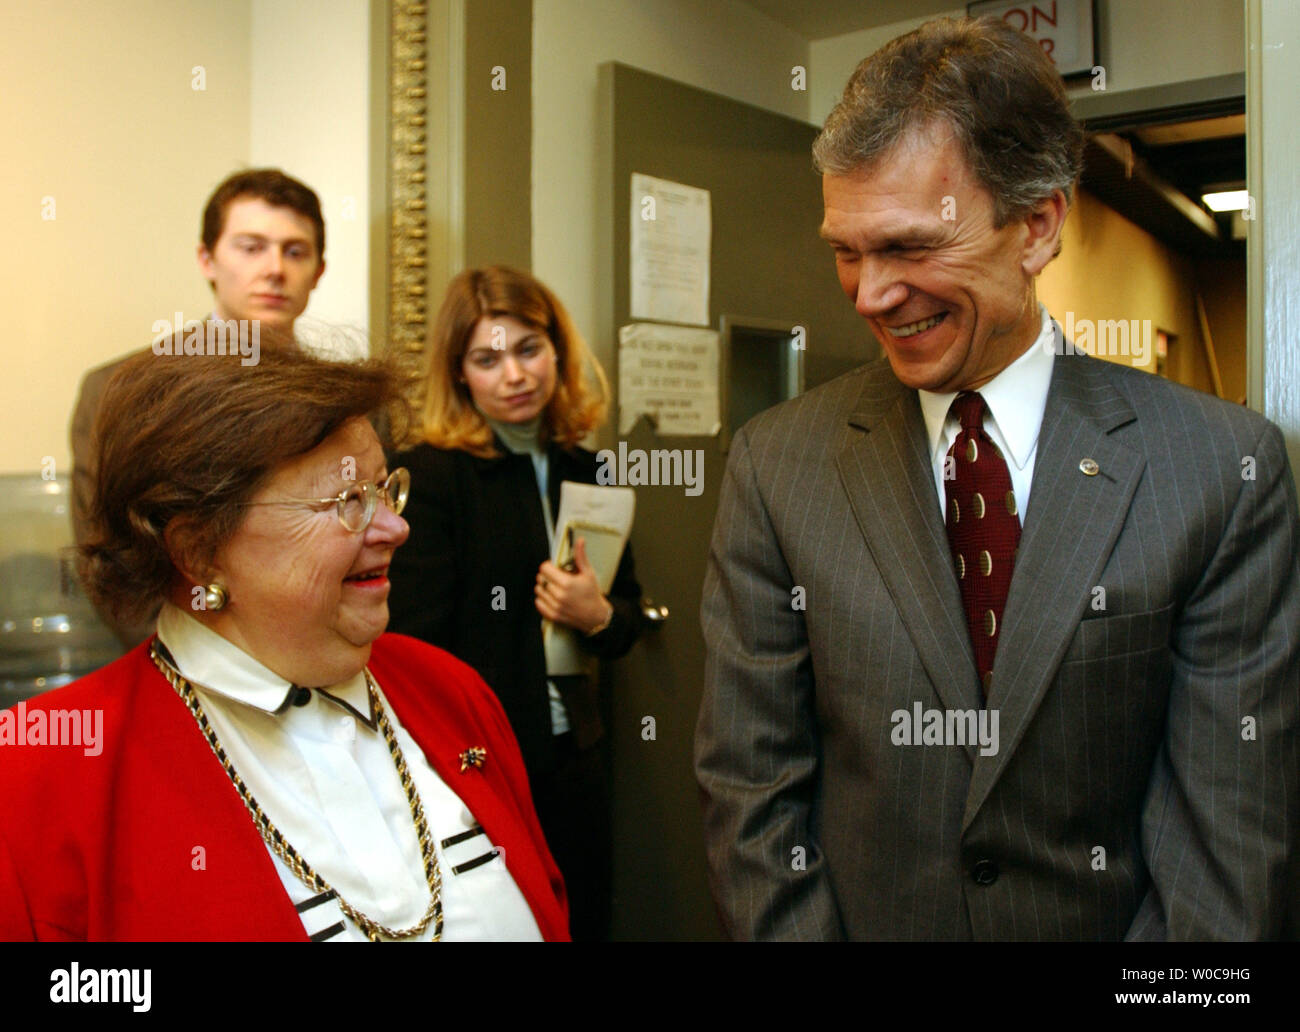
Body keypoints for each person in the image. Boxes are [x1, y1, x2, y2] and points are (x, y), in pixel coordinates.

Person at [696, 15, 1299, 941]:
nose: (868, 295)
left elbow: (1224, 845)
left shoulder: (1220, 471)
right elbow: (753, 793)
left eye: (908, 247)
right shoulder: (780, 465)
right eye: (846, 252)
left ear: (1038, 224)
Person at [1, 343, 567, 941]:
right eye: (348, 502)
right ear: (198, 551)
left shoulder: (452, 691)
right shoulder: (41, 771)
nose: (396, 528)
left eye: (384, 489)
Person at [387, 265, 642, 940]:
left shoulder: (590, 470)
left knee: (582, 919)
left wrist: (600, 616)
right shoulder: (433, 475)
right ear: (460, 373)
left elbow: (629, 619)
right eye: (487, 358)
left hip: (574, 753)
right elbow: (410, 650)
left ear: (557, 350)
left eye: (529, 349)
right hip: (476, 763)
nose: (514, 374)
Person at [70, 168, 331, 646]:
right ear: (207, 259)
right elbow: (109, 563)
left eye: (295, 251)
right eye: (251, 247)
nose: (275, 268)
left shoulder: (351, 406)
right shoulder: (120, 390)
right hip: (178, 663)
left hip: (319, 661)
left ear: (318, 271)